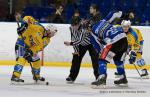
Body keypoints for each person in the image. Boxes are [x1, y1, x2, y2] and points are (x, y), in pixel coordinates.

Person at [11, 15, 57, 84]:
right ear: (48, 30)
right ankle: (15, 77)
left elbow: (39, 48)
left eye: (54, 34)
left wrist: (31, 52)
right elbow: (28, 18)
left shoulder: (47, 40)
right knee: (22, 58)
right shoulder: (39, 27)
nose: (53, 35)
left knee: (37, 59)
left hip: (30, 49)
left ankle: (36, 76)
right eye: (52, 33)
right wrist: (24, 26)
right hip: (21, 42)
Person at [88, 11, 128, 87]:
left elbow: (98, 47)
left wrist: (102, 54)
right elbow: (113, 13)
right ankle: (123, 77)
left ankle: (102, 78)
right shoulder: (104, 21)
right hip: (124, 38)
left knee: (102, 59)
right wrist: (125, 15)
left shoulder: (92, 32)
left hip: (113, 42)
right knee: (118, 60)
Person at [64, 10, 99, 83]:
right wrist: (76, 51)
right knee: (76, 58)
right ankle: (71, 77)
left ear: (79, 23)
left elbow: (80, 40)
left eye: (75, 25)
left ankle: (98, 77)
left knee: (95, 59)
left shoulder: (84, 27)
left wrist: (70, 43)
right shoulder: (71, 28)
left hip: (91, 43)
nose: (74, 27)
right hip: (81, 44)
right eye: (72, 25)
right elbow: (74, 38)